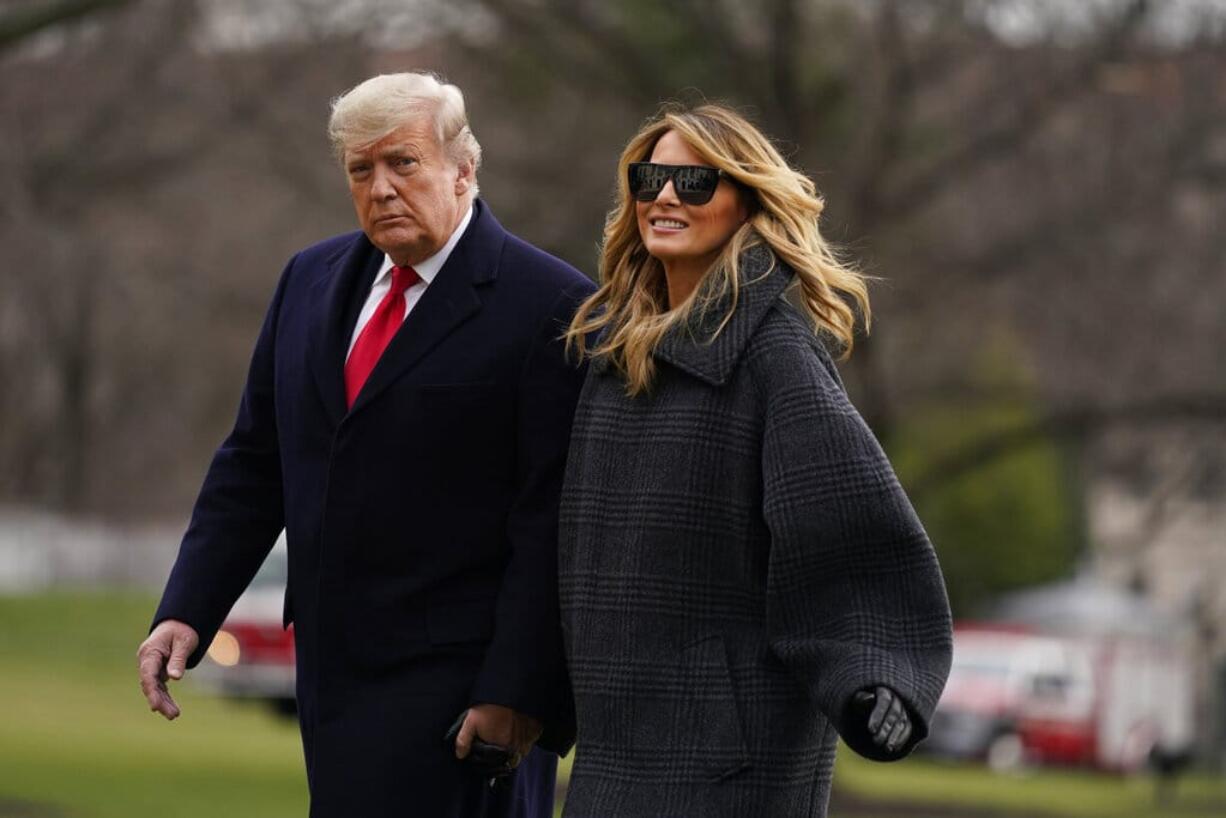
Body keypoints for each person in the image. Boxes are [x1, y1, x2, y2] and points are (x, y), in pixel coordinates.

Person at [136, 71, 594, 818]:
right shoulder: (308, 280)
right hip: (332, 681)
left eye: (402, 163)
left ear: (463, 167)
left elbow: (552, 525)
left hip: (467, 701)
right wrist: (188, 609)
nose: (380, 187)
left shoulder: (552, 305)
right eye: (361, 169)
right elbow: (254, 464)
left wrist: (516, 691)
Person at [558, 103, 953, 817]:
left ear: (746, 202)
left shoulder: (775, 354)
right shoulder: (613, 357)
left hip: (730, 766)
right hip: (613, 753)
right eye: (651, 178)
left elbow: (850, 531)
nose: (666, 196)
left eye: (695, 182)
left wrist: (877, 682)